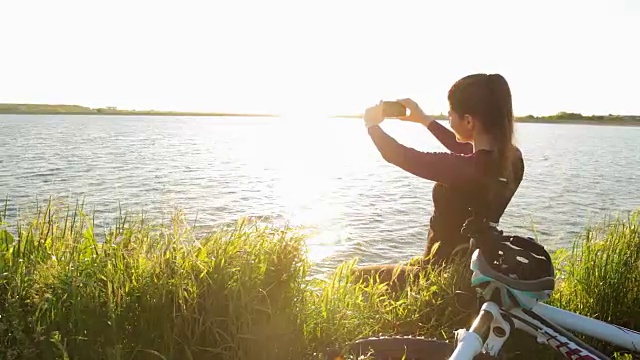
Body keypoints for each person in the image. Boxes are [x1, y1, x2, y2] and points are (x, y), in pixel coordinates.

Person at [354, 73, 525, 286]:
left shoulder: (464, 169)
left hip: (438, 273)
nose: (448, 116)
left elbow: (397, 155)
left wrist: (371, 125)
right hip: (474, 266)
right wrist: (424, 120)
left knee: (353, 278)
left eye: (450, 112)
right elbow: (464, 149)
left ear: (469, 121)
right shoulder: (512, 160)